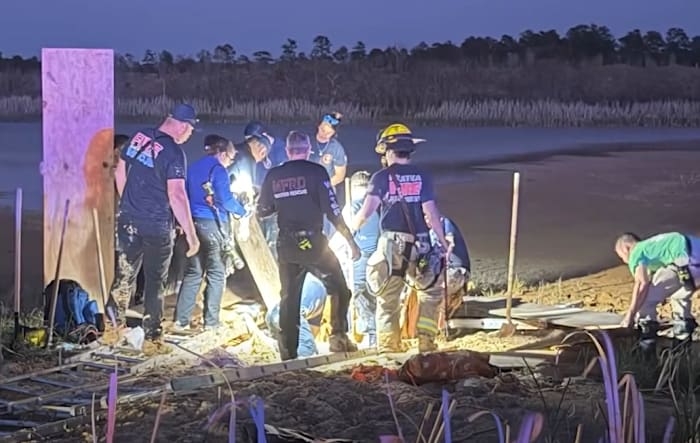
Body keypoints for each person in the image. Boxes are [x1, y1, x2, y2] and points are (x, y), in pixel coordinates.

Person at [257, 130, 361, 361]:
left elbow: (263, 210)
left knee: (289, 299)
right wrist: (350, 241)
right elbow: (333, 210)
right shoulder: (317, 172)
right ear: (308, 150)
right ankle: (338, 336)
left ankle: (288, 354)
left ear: (288, 151)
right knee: (340, 288)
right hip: (314, 244)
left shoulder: (274, 175)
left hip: (287, 245)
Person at [350, 123, 450, 353]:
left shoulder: (380, 178)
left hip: (392, 245)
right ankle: (426, 342)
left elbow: (365, 213)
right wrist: (443, 242)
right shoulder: (423, 176)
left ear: (387, 151)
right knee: (430, 292)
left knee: (388, 297)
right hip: (421, 243)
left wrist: (349, 233)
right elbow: (431, 213)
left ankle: (388, 346)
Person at [108, 103, 200, 341]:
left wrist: (127, 202)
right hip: (157, 225)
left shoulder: (139, 136)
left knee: (124, 273)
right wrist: (191, 234)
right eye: (191, 130)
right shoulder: (174, 153)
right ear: (182, 126)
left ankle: (112, 327)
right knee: (155, 280)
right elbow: (177, 194)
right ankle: (152, 334)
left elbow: (119, 171)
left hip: (128, 220)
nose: (189, 135)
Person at [174, 135, 249, 331]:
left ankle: (180, 321)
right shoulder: (218, 169)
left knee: (193, 273)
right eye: (231, 158)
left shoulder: (193, 168)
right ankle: (212, 323)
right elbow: (225, 200)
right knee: (216, 273)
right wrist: (243, 211)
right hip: (213, 225)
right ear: (222, 154)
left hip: (192, 224)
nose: (230, 162)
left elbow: (184, 196)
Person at [614, 231, 700, 352]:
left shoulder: (636, 252)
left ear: (626, 248)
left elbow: (642, 284)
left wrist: (630, 314)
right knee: (679, 296)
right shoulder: (653, 247)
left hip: (683, 260)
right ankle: (682, 347)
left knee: (645, 300)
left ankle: (646, 348)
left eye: (621, 256)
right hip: (693, 252)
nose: (624, 261)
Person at [328, 171, 381, 348]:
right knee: (368, 296)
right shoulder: (372, 208)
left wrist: (327, 251)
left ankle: (356, 332)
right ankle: (372, 335)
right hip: (373, 258)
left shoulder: (354, 206)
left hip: (359, 259)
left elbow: (344, 233)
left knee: (352, 294)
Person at [243, 121, 288, 258]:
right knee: (259, 239)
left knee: (273, 241)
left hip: (277, 201)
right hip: (258, 197)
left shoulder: (280, 149)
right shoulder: (250, 151)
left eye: (256, 143)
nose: (254, 148)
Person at [265, 273, 328, 358]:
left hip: (281, 313)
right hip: (282, 314)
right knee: (304, 353)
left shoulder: (314, 290)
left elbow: (313, 326)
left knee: (301, 353)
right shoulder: (315, 288)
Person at [426, 214, 472, 321]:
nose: (425, 220)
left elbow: (449, 244)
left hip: (456, 269)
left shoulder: (445, 223)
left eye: (426, 216)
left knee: (438, 289)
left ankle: (441, 320)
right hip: (442, 271)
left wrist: (445, 255)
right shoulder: (429, 233)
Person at [309, 112, 347, 188]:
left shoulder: (336, 148)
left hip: (326, 186)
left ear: (334, 133)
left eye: (329, 132)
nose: (324, 134)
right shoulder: (306, 141)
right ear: (318, 126)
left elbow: (340, 176)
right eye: (323, 130)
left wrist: (323, 186)